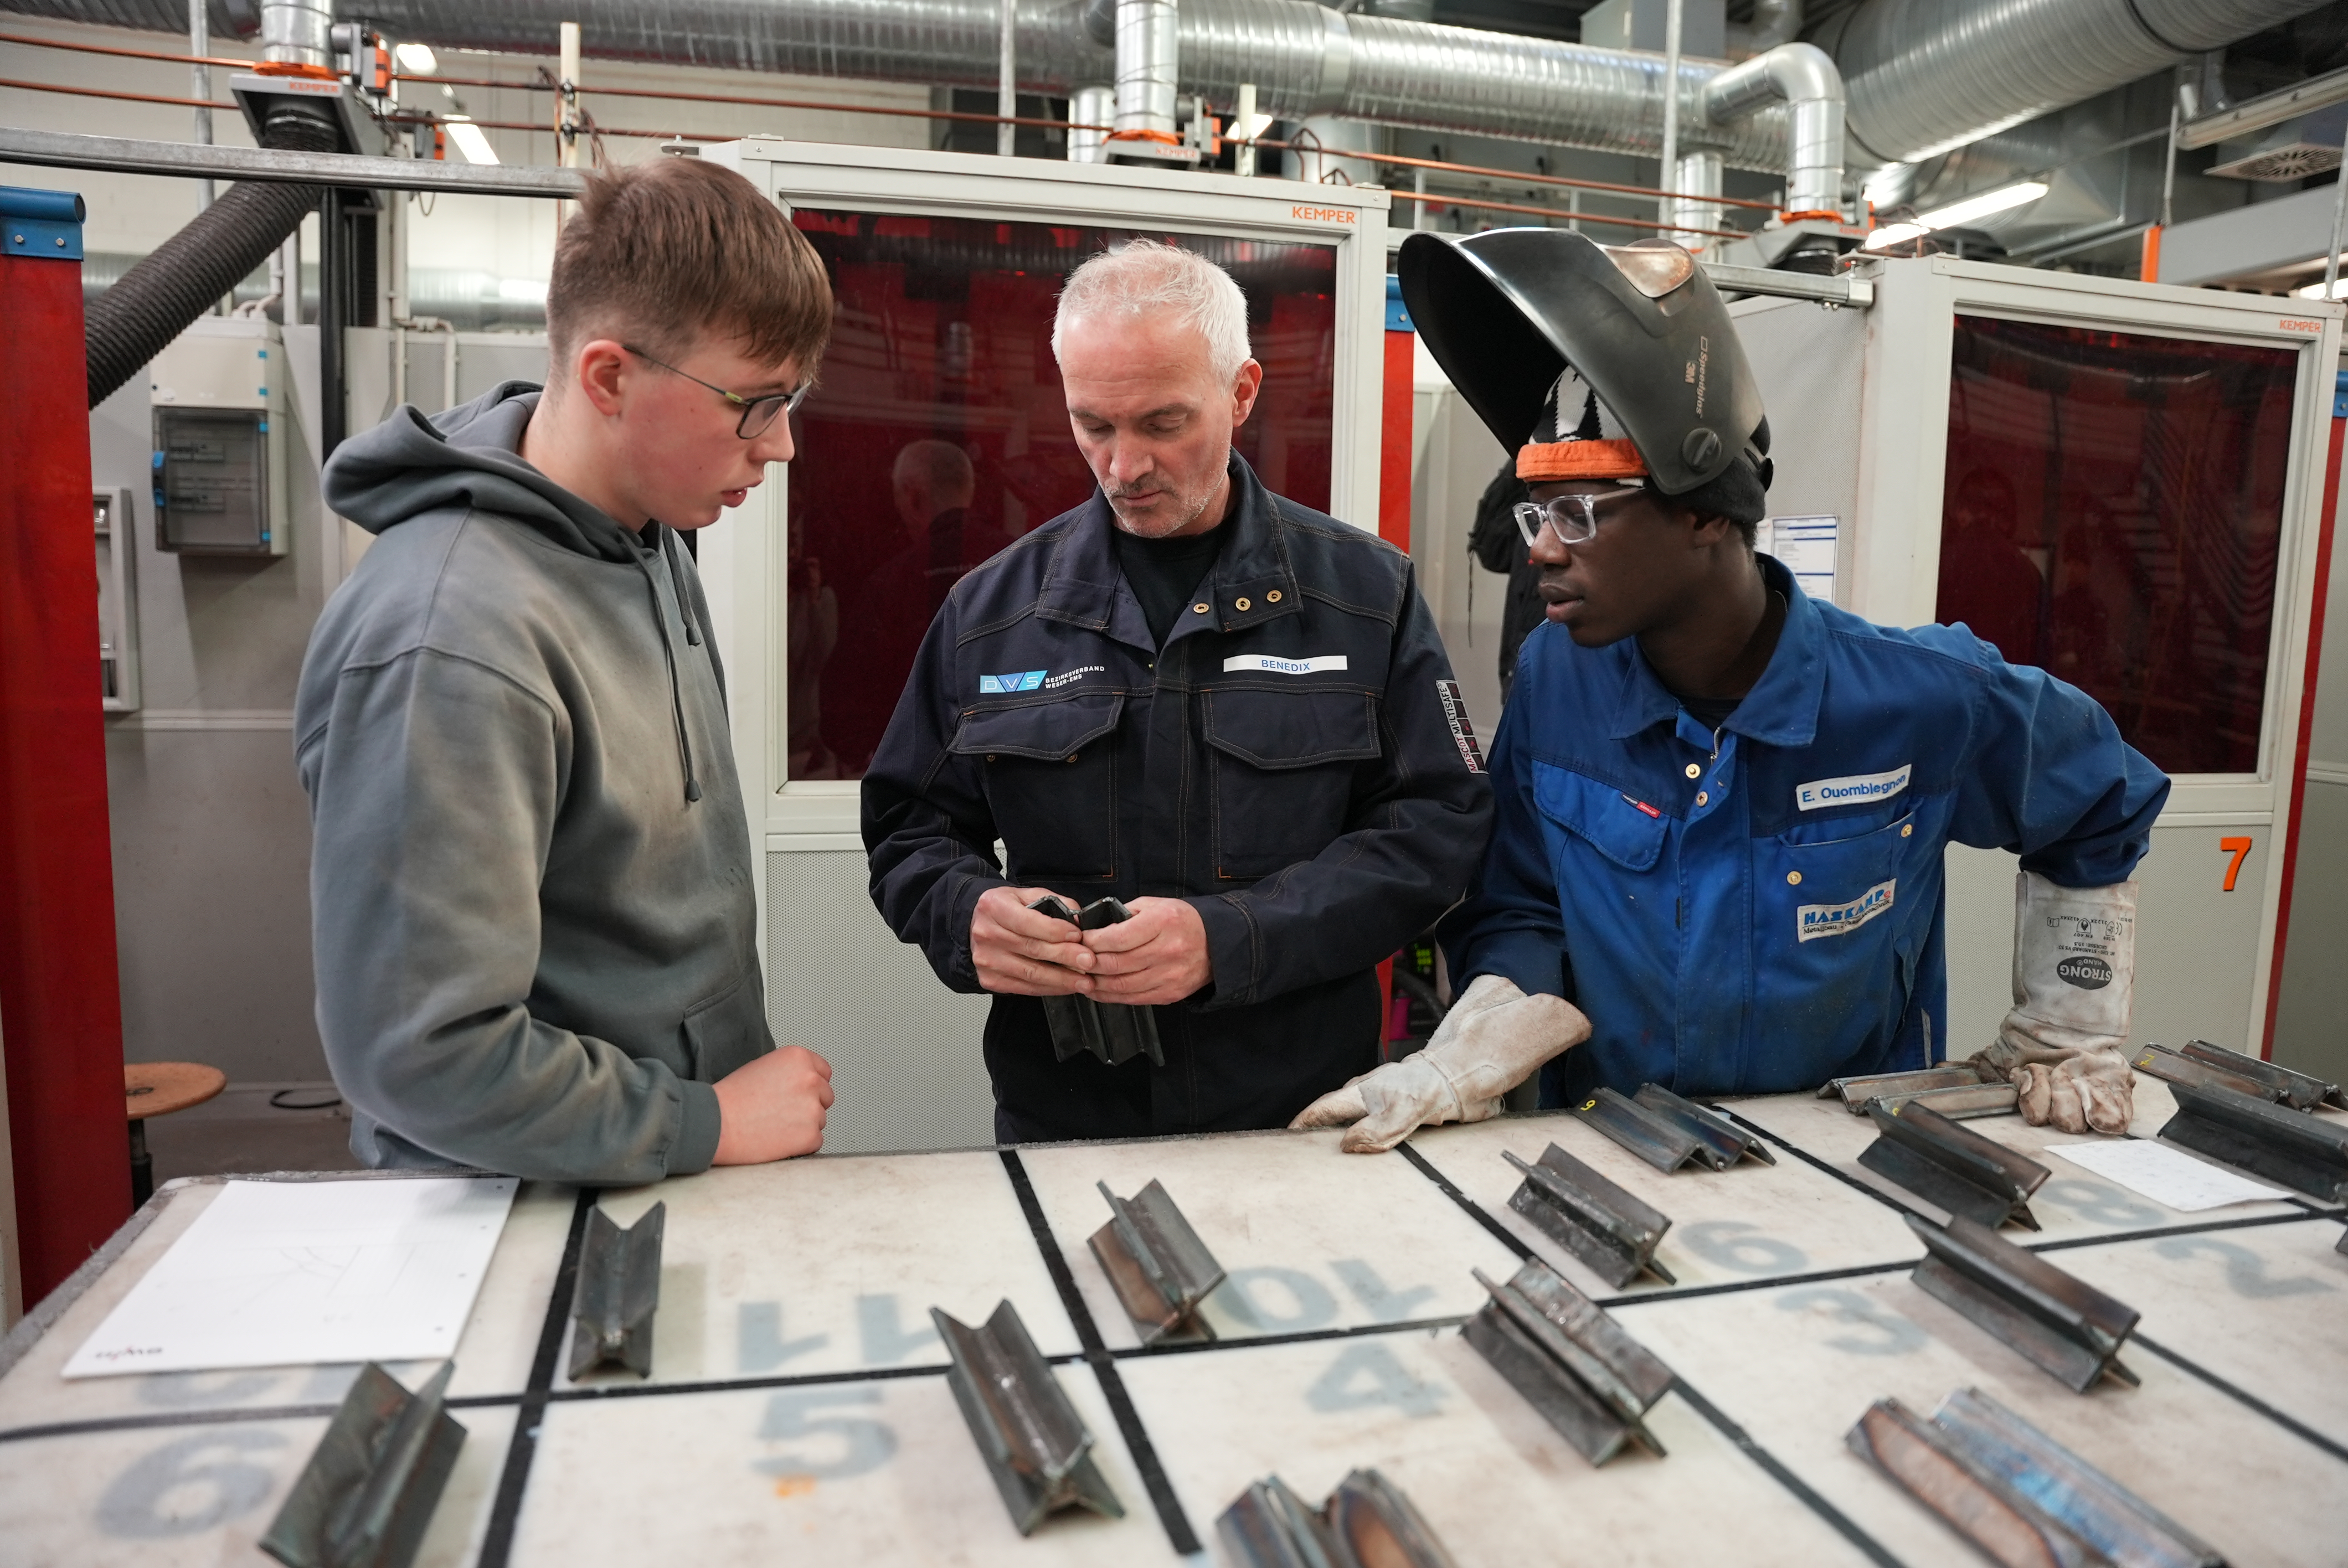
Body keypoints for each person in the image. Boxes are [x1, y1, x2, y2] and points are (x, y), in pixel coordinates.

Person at [1296, 228, 2169, 1152]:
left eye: (1580, 512)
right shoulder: (1559, 678)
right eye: (1534, 510)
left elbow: (2103, 803)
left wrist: (2067, 1025)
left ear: (1708, 511)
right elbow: (1522, 895)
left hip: (1843, 1160)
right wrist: (1500, 1008)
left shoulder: (1917, 699)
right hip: (1612, 1146)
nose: (1541, 548)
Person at [862, 240, 1494, 1141]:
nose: (1123, 467)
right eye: (1094, 425)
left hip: (1304, 1117)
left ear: (1241, 393)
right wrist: (968, 913)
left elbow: (1440, 830)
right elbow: (908, 830)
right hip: (1067, 1115)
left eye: (1162, 424)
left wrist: (1232, 937)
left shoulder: (1363, 598)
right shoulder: (993, 614)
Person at [297, 157, 837, 1182]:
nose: (783, 448)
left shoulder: (641, 538)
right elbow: (427, 1053)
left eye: (790, 400)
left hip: (651, 1161)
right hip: (522, 1204)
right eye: (753, 404)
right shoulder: (452, 636)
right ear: (608, 377)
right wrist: (703, 1123)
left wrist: (715, 1111)